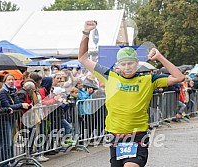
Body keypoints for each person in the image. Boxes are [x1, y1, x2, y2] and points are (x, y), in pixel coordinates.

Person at [78, 20, 185, 167]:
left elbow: (179, 77)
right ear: (118, 65)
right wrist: (86, 32)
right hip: (115, 136)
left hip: (138, 135)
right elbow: (82, 58)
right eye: (123, 64)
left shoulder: (149, 79)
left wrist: (159, 57)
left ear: (137, 63)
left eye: (130, 63)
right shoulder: (109, 75)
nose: (127, 67)